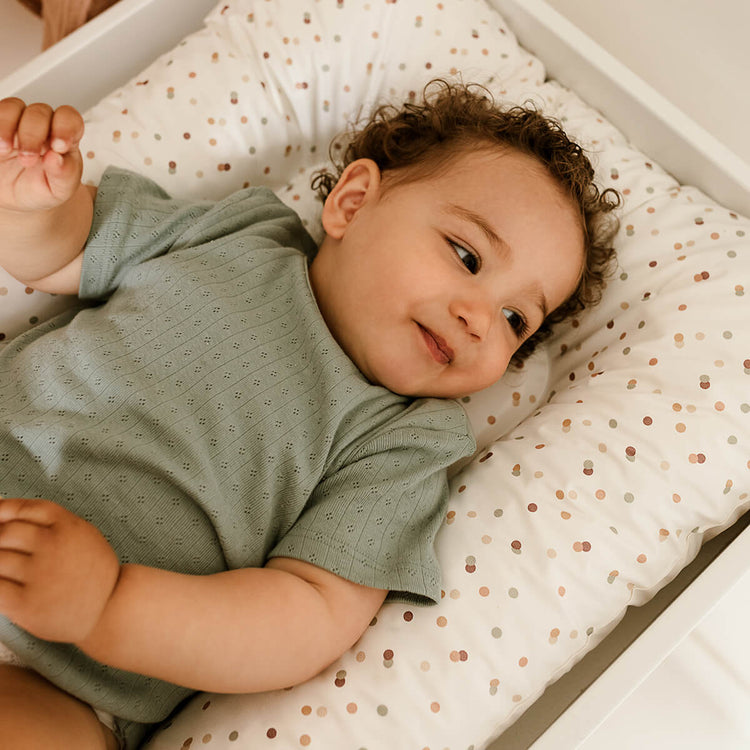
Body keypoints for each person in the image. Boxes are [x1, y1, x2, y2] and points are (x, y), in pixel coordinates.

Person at [0, 81, 619, 748]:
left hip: (63, 676)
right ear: (352, 204)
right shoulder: (240, 232)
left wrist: (108, 604)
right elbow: (63, 253)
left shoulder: (407, 441)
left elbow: (304, 617)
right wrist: (29, 202)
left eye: (514, 319)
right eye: (467, 256)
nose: (478, 321)